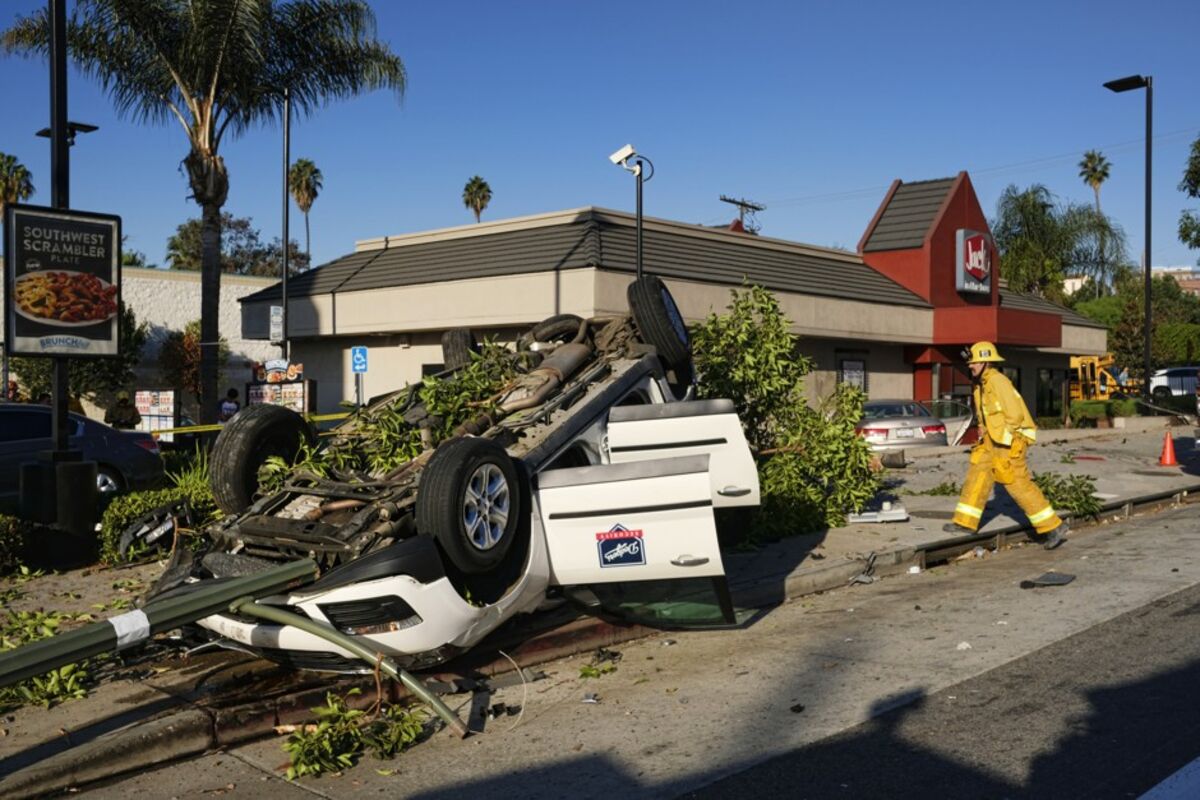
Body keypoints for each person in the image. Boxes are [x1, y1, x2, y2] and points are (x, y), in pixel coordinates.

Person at [943, 342, 1069, 550]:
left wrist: (1009, 441)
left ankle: (1053, 527)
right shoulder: (980, 385)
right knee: (978, 475)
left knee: (1017, 484)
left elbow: (1015, 415)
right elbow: (986, 414)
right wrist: (983, 431)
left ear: (984, 361)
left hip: (1009, 441)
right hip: (991, 441)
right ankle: (965, 523)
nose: (971, 365)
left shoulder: (998, 382)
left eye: (974, 361)